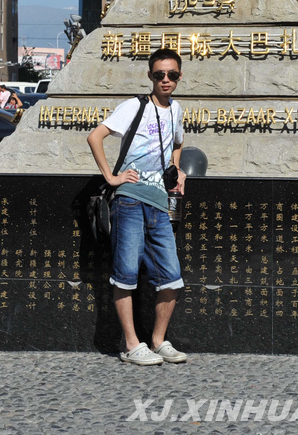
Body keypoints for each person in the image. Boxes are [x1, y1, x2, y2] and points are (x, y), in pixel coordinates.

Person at [86, 48, 187, 366]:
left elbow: (178, 143)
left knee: (172, 277)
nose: (166, 80)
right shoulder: (134, 107)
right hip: (129, 200)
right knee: (126, 274)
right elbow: (95, 137)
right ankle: (131, 345)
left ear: (179, 76)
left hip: (159, 203)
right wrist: (112, 177)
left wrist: (177, 170)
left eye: (171, 74)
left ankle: (157, 341)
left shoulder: (177, 111)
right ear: (150, 76)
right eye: (160, 75)